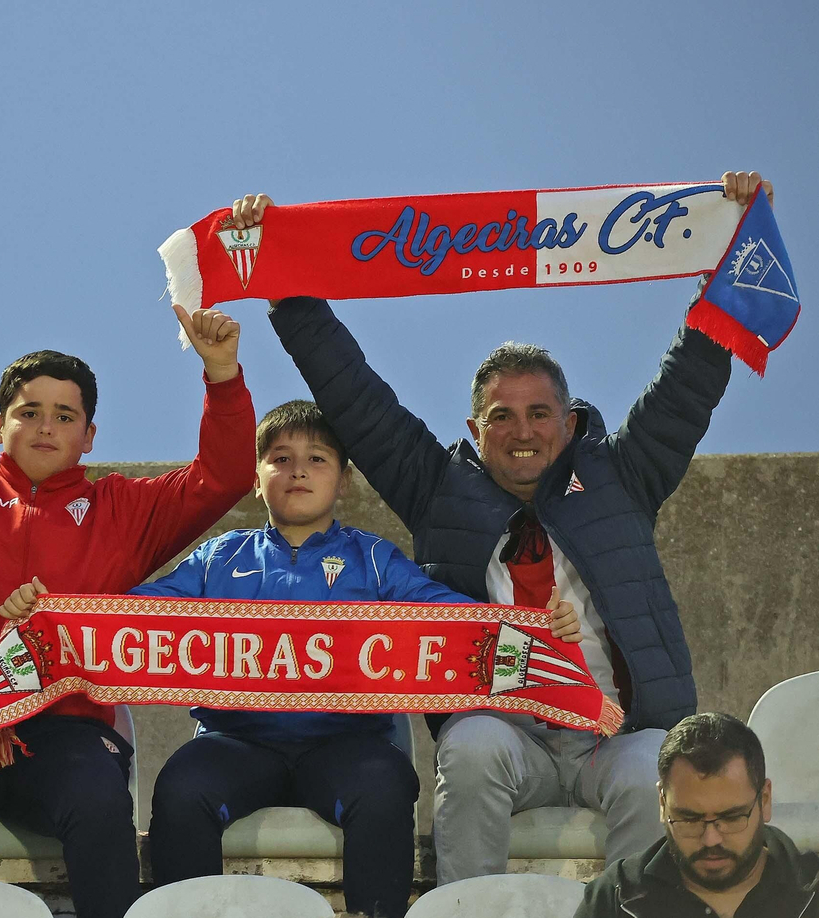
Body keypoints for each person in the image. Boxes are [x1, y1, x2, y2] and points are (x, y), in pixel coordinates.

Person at [238, 170, 772, 885]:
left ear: (570, 422)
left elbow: (688, 385)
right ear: (474, 429)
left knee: (660, 766)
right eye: (502, 416)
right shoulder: (437, 488)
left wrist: (734, 248)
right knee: (471, 743)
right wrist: (285, 285)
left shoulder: (622, 475)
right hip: (507, 734)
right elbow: (355, 396)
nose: (522, 432)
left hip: (612, 733)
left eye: (539, 414)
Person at [0, 400, 580, 918]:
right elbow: (133, 617)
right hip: (235, 742)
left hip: (348, 745)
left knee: (386, 784)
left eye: (318, 458)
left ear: (344, 480)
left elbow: (449, 616)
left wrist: (531, 627)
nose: (298, 470)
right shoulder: (219, 558)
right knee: (180, 788)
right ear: (257, 480)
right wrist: (53, 617)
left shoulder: (373, 559)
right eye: (280, 458)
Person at [0, 231, 257, 918]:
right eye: (28, 412)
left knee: (98, 801)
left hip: (63, 729)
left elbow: (224, 476)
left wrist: (221, 375)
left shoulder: (122, 510)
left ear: (89, 436)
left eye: (65, 416)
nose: (44, 426)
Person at [575, 712, 817, 918]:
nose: (711, 839)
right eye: (689, 819)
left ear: (764, 800)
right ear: (662, 803)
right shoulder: (613, 901)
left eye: (732, 818)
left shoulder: (812, 896)